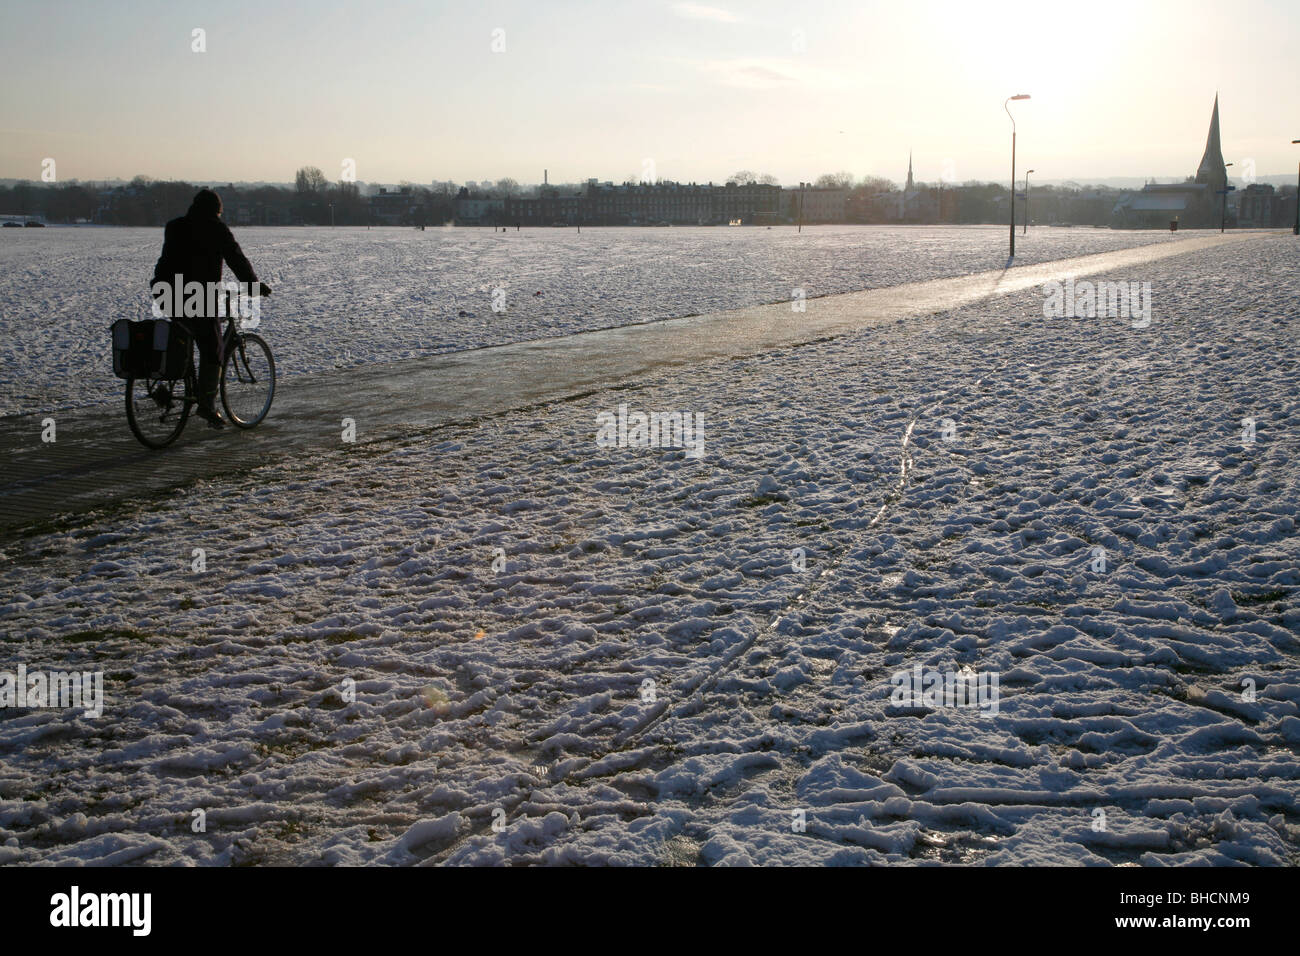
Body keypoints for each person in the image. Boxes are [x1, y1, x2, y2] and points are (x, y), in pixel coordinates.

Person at [151, 189, 270, 428]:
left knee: (182, 335)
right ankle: (207, 405)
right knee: (212, 347)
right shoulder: (217, 229)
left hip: (165, 292)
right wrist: (254, 286)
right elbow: (236, 259)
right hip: (198, 296)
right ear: (216, 210)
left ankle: (176, 381)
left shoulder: (174, 226)